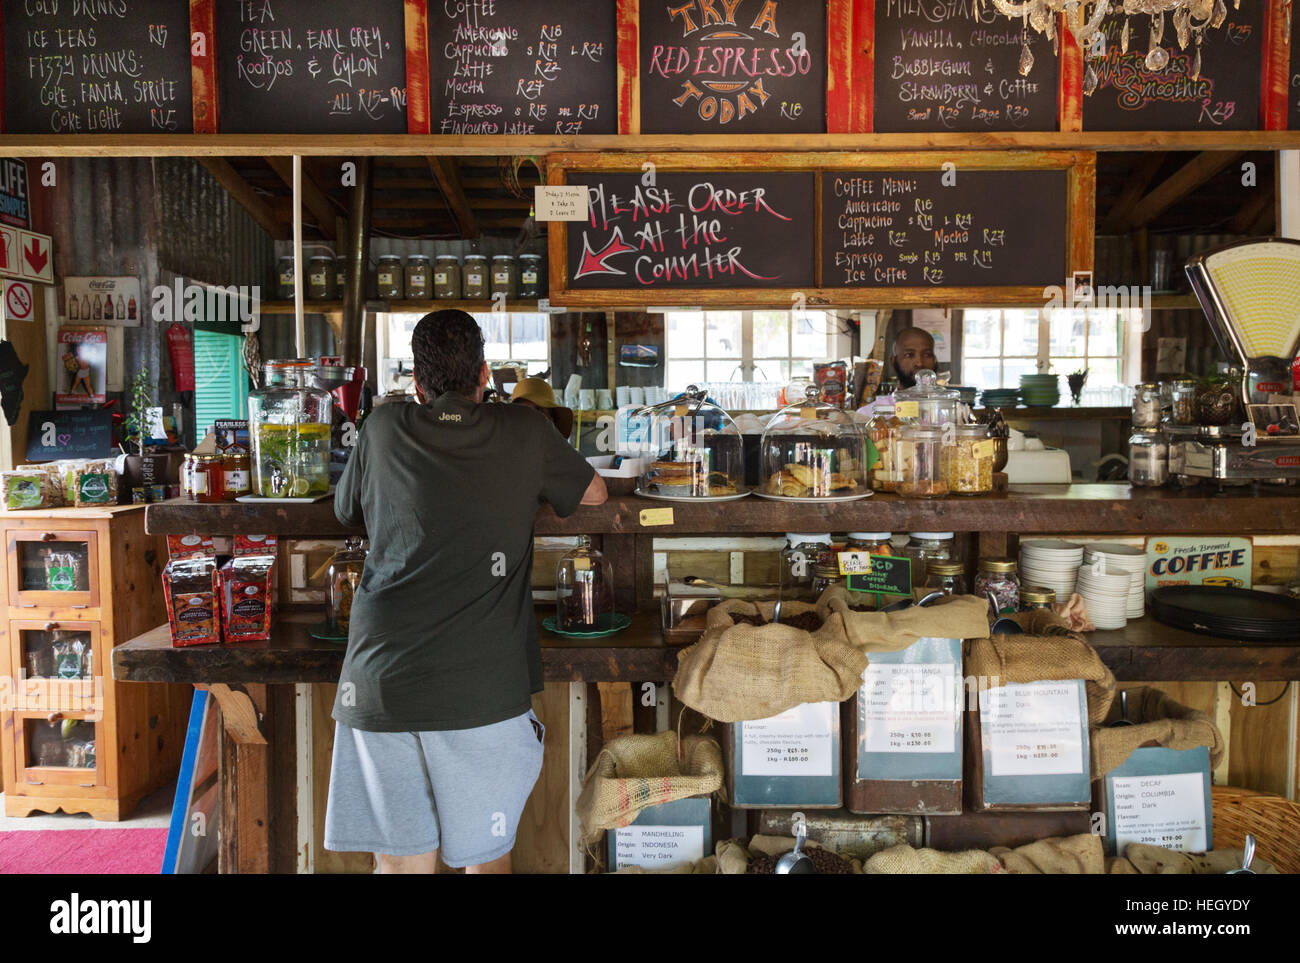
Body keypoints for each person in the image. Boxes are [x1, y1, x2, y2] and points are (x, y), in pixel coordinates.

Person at [325, 309, 607, 874]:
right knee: (484, 863)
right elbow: (595, 493)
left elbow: (345, 509)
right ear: (484, 376)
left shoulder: (381, 428)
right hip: (483, 688)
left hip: (382, 683)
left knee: (403, 867)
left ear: (415, 382)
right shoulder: (527, 431)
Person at [510, 376, 575, 438]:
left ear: (551, 419)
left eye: (539, 410)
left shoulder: (558, 449)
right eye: (523, 412)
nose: (531, 417)